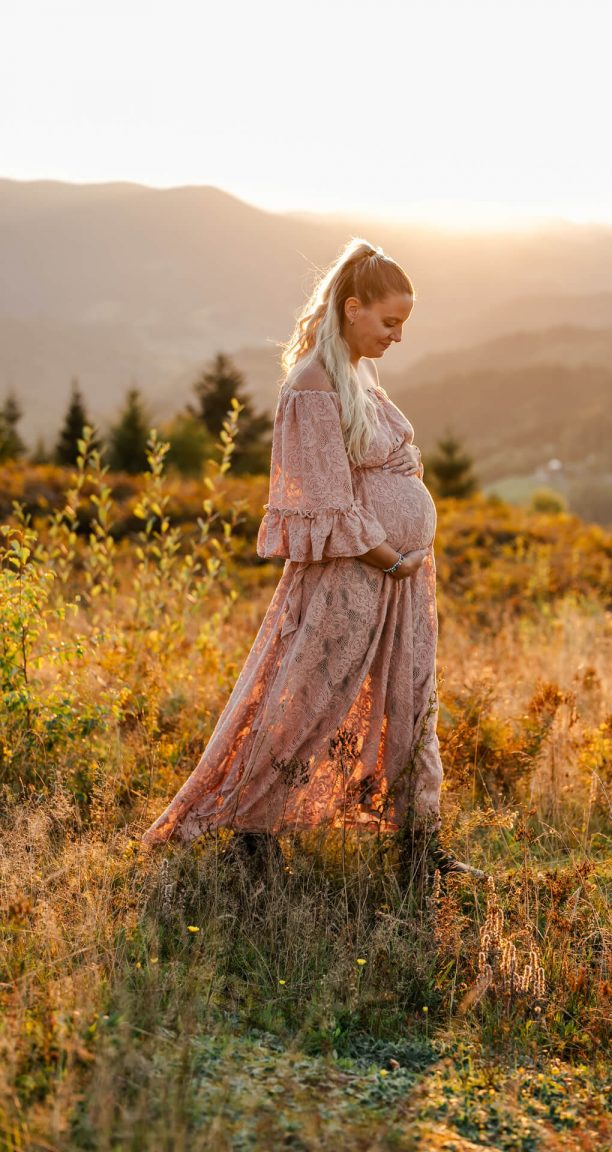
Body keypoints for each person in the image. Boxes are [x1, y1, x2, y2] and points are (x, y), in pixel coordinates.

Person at [140, 237, 484, 880]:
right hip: (352, 576)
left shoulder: (359, 368)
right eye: (390, 322)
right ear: (352, 308)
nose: (398, 337)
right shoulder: (312, 383)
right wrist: (391, 558)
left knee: (411, 698)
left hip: (398, 578)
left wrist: (406, 488)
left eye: (404, 324)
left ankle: (420, 849)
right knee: (306, 702)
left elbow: (366, 462)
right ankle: (253, 835)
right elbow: (324, 500)